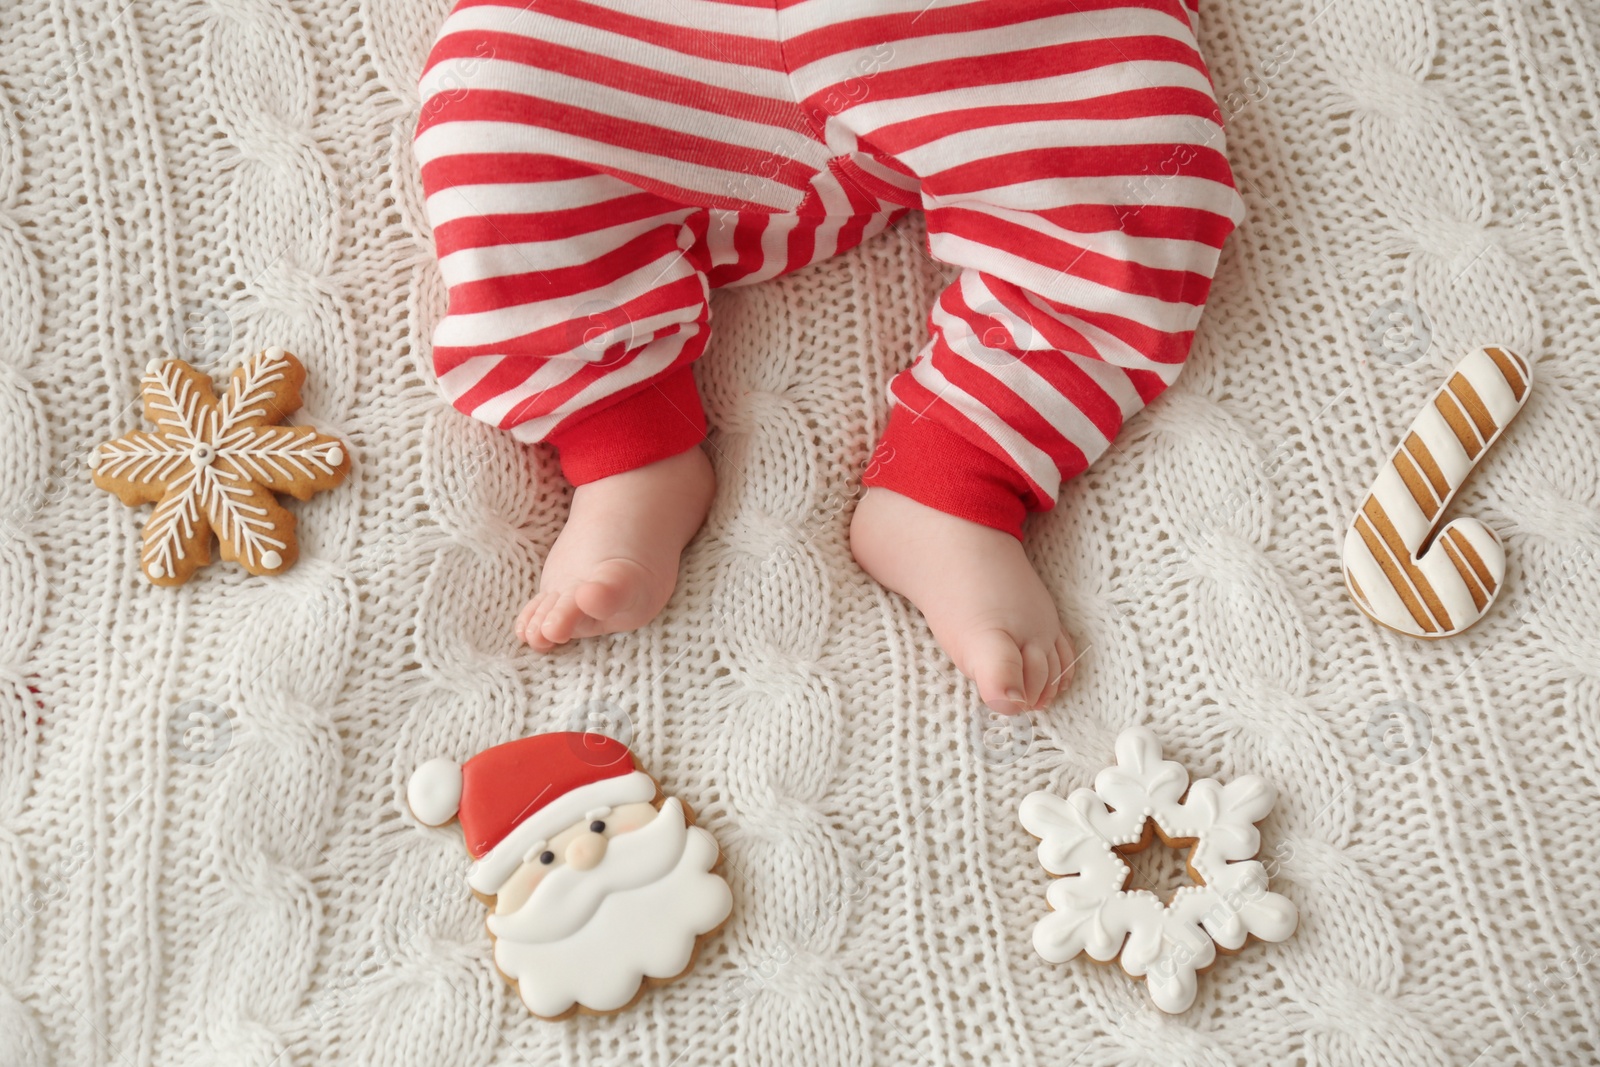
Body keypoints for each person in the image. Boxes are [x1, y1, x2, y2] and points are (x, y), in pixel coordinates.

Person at [413, 0, 1243, 714]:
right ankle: (622, 434)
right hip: (671, 31)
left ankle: (959, 469)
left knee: (1150, 164)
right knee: (491, 96)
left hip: (977, 33)